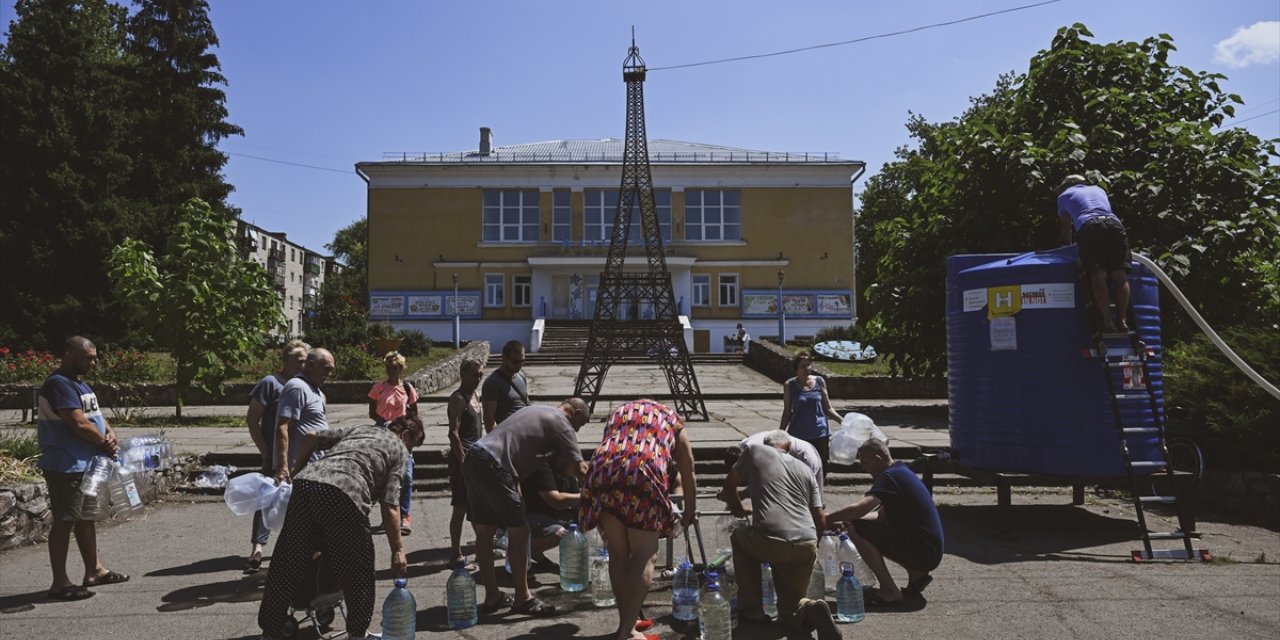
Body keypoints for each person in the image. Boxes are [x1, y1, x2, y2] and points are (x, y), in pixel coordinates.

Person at [257, 416, 424, 640]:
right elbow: (391, 504)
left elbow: (312, 436)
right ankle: (357, 633)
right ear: (405, 435)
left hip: (307, 484)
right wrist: (398, 550)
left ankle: (270, 629)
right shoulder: (399, 449)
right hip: (345, 493)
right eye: (412, 445)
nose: (410, 451)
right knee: (359, 569)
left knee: (288, 561)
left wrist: (296, 471)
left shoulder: (361, 428)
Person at [579, 399, 696, 640]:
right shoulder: (673, 419)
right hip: (642, 469)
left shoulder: (619, 413)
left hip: (603, 470)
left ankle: (628, 626)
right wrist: (689, 511)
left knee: (618, 552)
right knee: (646, 553)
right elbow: (688, 469)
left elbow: (613, 445)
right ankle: (626, 632)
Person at [463, 399, 591, 617]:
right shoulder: (562, 423)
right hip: (495, 463)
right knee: (520, 531)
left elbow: (514, 445)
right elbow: (581, 468)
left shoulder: (535, 410)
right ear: (576, 413)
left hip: (475, 456)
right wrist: (598, 494)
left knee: (485, 531)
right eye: (581, 424)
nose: (577, 430)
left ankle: (492, 596)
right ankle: (523, 598)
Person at [721, 431, 839, 640]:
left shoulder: (755, 450)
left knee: (739, 537)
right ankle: (812, 608)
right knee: (791, 605)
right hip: (806, 541)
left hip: (769, 538)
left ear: (768, 444)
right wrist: (813, 546)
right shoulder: (805, 469)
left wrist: (737, 507)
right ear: (788, 447)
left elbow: (729, 486)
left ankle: (752, 609)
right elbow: (820, 517)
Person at [36, 336, 128, 601]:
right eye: (88, 357)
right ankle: (60, 583)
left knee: (85, 518)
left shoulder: (79, 384)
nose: (94, 362)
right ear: (68, 356)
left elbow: (95, 417)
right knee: (65, 520)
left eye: (94, 357)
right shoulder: (59, 384)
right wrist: (105, 442)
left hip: (85, 462)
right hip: (66, 464)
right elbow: (77, 423)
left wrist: (110, 434)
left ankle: (94, 571)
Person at [827, 438, 943, 606]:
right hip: (929, 551)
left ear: (877, 459)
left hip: (923, 552)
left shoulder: (889, 476)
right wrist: (845, 521)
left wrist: (826, 520)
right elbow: (881, 517)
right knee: (856, 526)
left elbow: (860, 509)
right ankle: (917, 574)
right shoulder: (901, 472)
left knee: (856, 530)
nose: (864, 468)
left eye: (865, 463)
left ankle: (889, 590)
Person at [243, 339, 309, 574]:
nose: (303, 365)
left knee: (300, 505)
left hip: (300, 455)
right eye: (299, 361)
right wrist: (264, 450)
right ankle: (257, 549)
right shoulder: (270, 384)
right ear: (286, 360)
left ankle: (296, 552)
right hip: (275, 455)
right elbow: (252, 420)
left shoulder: (306, 386)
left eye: (306, 361)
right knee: (267, 500)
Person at [1056, 174, 1133, 333]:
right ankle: (1123, 320)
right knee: (1120, 274)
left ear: (1067, 185)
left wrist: (1068, 247)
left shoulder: (1064, 196)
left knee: (1098, 272)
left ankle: (1107, 322)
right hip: (1115, 225)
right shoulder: (1099, 189)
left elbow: (1066, 227)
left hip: (1090, 225)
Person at [367, 351, 419, 535]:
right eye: (388, 368)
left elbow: (414, 413)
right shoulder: (378, 389)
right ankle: (387, 516)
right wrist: (384, 422)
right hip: (383, 433)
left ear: (401, 369)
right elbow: (372, 413)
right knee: (384, 477)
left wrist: (408, 430)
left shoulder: (407, 388)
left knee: (407, 476)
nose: (391, 371)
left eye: (395, 368)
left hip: (403, 436)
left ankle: (404, 515)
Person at [273, 348, 335, 484]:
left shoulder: (317, 391)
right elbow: (283, 427)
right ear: (311, 365)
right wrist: (283, 467)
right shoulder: (297, 387)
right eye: (326, 369)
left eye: (331, 370)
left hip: (315, 469)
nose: (329, 374)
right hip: (298, 471)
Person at [447, 357, 485, 566]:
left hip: (477, 457)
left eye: (480, 375)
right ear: (462, 375)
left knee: (477, 507)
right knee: (461, 507)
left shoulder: (476, 396)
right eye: (474, 375)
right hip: (463, 459)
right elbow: (454, 434)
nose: (478, 379)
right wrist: (463, 462)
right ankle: (455, 553)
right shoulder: (458, 399)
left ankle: (482, 549)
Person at [780, 351, 844, 471]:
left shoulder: (819, 381)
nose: (807, 369)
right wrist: (780, 433)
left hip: (820, 432)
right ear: (796, 369)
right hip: (799, 435)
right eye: (802, 366)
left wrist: (842, 421)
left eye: (808, 365)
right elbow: (787, 412)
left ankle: (820, 489)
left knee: (821, 467)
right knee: (800, 469)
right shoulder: (789, 385)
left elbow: (828, 408)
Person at [520, 459, 581, 570]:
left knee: (579, 527)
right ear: (559, 460)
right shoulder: (541, 467)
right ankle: (519, 551)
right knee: (561, 534)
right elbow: (556, 500)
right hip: (528, 517)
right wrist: (587, 496)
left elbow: (577, 503)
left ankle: (570, 567)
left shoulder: (568, 473)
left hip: (551, 517)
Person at [725, 429, 825, 492]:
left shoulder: (807, 458)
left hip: (804, 459)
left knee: (812, 503)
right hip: (781, 453)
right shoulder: (743, 448)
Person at [481, 340, 529, 432]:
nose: (519, 365)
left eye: (522, 361)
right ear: (504, 358)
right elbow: (489, 420)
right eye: (515, 362)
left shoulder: (521, 375)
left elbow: (525, 401)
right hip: (507, 436)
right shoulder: (493, 383)